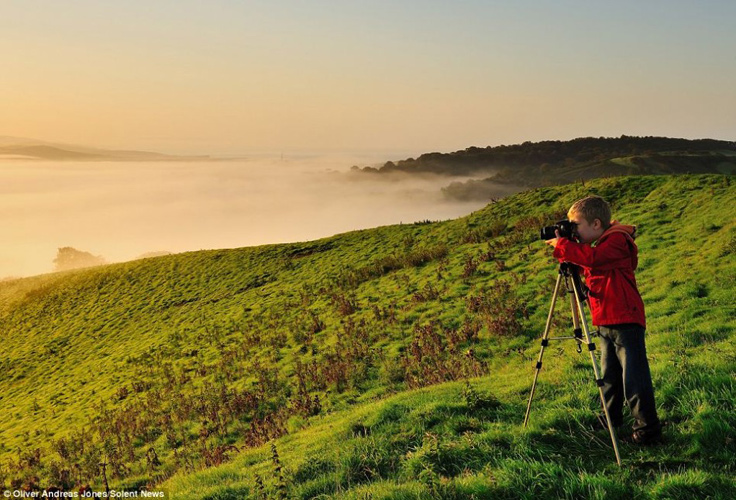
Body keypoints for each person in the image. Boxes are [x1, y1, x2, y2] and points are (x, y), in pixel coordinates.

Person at [545, 195, 662, 444]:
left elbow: (594, 260)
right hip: (606, 319)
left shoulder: (617, 240)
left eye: (576, 226)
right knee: (609, 376)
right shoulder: (602, 243)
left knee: (634, 378)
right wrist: (570, 256)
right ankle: (610, 418)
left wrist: (564, 245)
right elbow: (591, 266)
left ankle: (647, 431)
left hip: (625, 320)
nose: (573, 231)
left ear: (596, 224)